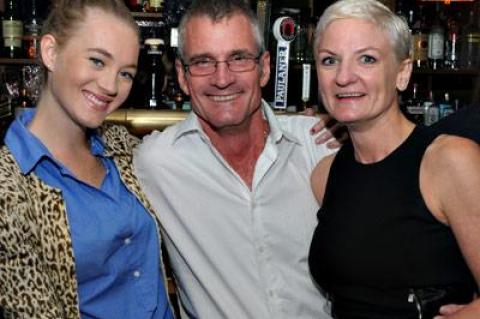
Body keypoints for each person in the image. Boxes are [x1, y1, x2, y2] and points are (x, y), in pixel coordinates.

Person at [133, 0, 335, 317]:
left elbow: (381, 228)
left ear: (265, 68)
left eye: (238, 58)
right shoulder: (156, 162)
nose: (222, 78)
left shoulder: (314, 141)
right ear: (183, 78)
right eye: (203, 62)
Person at [0, 1, 174, 318]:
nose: (110, 86)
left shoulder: (122, 148)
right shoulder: (9, 186)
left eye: (125, 73)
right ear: (51, 52)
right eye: (96, 61)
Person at [308, 0, 480, 318]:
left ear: (402, 73)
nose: (344, 77)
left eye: (367, 59)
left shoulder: (448, 161)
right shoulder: (325, 175)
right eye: (329, 60)